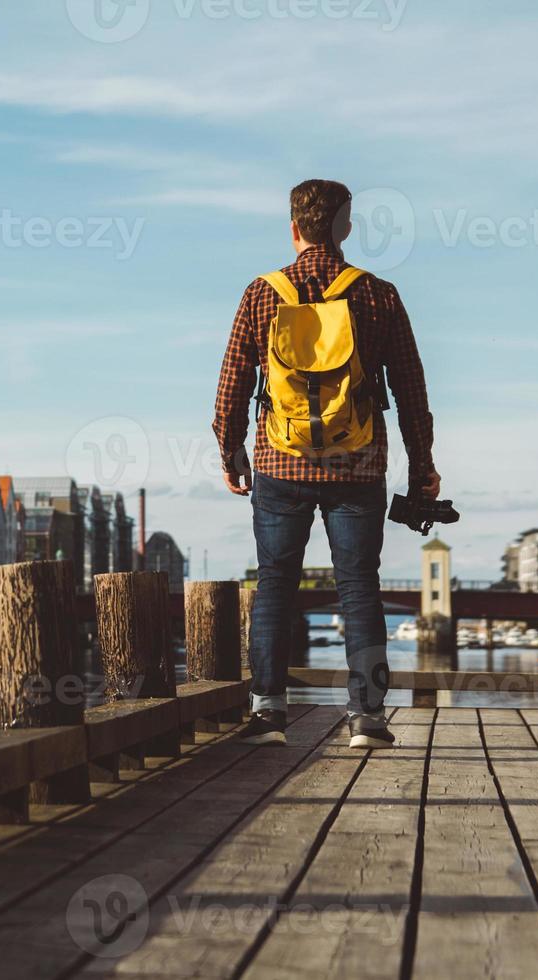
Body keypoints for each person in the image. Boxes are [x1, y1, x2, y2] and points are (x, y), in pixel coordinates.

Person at [212, 179, 440, 749]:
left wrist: (231, 451)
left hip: (280, 464)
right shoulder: (378, 294)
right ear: (345, 227)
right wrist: (422, 469)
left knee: (275, 585)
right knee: (360, 586)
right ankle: (367, 717)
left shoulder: (261, 294)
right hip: (358, 465)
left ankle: (268, 715)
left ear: (293, 228)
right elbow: (410, 387)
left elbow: (232, 386)